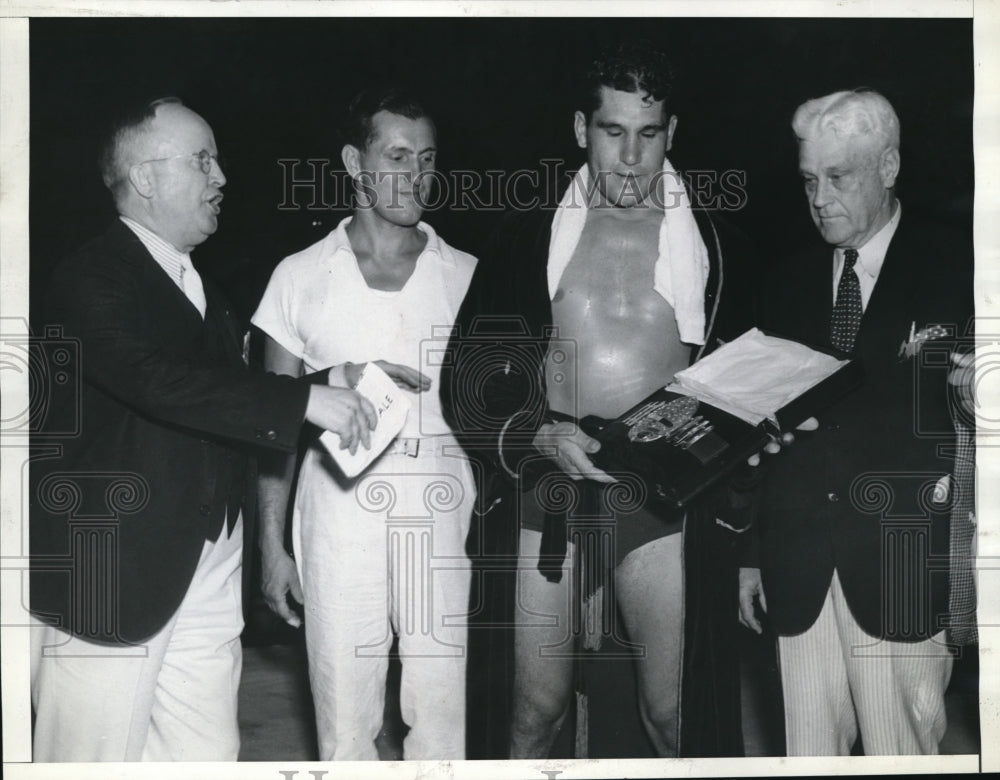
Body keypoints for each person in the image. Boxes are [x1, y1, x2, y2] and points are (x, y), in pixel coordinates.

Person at [29, 97, 380, 762]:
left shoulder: (198, 286)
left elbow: (229, 388)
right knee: (88, 762)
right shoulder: (90, 276)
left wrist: (336, 377)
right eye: (202, 161)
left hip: (205, 566)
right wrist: (305, 400)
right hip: (117, 573)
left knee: (205, 759)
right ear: (145, 177)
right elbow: (155, 379)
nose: (222, 177)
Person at [440, 41, 759, 758]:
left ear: (671, 135)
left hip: (661, 496)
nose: (630, 155)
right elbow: (467, 374)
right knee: (533, 715)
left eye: (649, 135)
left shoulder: (717, 245)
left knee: (672, 716)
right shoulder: (525, 235)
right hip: (549, 486)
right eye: (613, 131)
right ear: (581, 129)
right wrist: (538, 436)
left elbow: (747, 385)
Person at [738, 89, 974, 755]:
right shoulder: (783, 283)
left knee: (902, 752)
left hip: (902, 568)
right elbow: (760, 434)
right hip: (797, 568)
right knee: (807, 757)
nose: (819, 198)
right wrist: (750, 558)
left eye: (838, 177)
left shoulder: (959, 269)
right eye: (810, 180)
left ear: (889, 167)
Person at [252, 87, 478, 760]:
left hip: (440, 507)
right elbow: (269, 425)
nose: (416, 176)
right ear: (354, 162)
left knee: (441, 717)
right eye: (397, 156)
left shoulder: (468, 276)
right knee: (345, 718)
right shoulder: (297, 277)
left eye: (428, 159)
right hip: (336, 511)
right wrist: (271, 546)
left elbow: (499, 417)